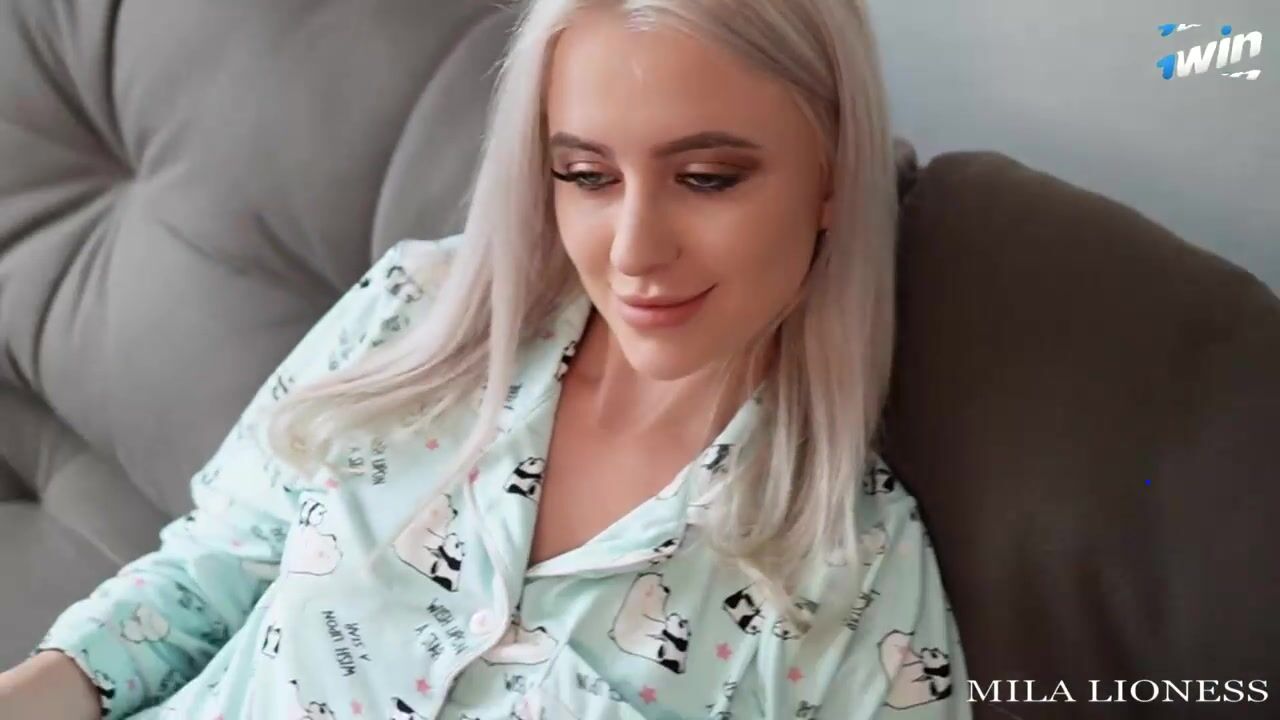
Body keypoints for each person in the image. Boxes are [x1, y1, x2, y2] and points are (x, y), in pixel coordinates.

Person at [0, 0, 971, 717]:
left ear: (831, 175)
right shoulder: (414, 312)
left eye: (707, 178)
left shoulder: (857, 593)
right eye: (585, 175)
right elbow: (208, 574)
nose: (633, 251)